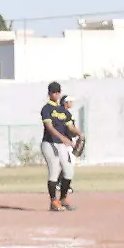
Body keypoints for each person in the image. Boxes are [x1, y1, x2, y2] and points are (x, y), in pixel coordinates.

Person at [40, 82, 84, 211]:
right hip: (49, 143)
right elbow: (49, 127)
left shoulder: (64, 111)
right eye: (53, 92)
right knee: (54, 169)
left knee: (69, 171)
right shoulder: (46, 109)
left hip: (61, 145)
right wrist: (63, 138)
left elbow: (70, 127)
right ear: (49, 94)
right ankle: (53, 201)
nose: (56, 94)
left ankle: (63, 199)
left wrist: (80, 134)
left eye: (57, 92)